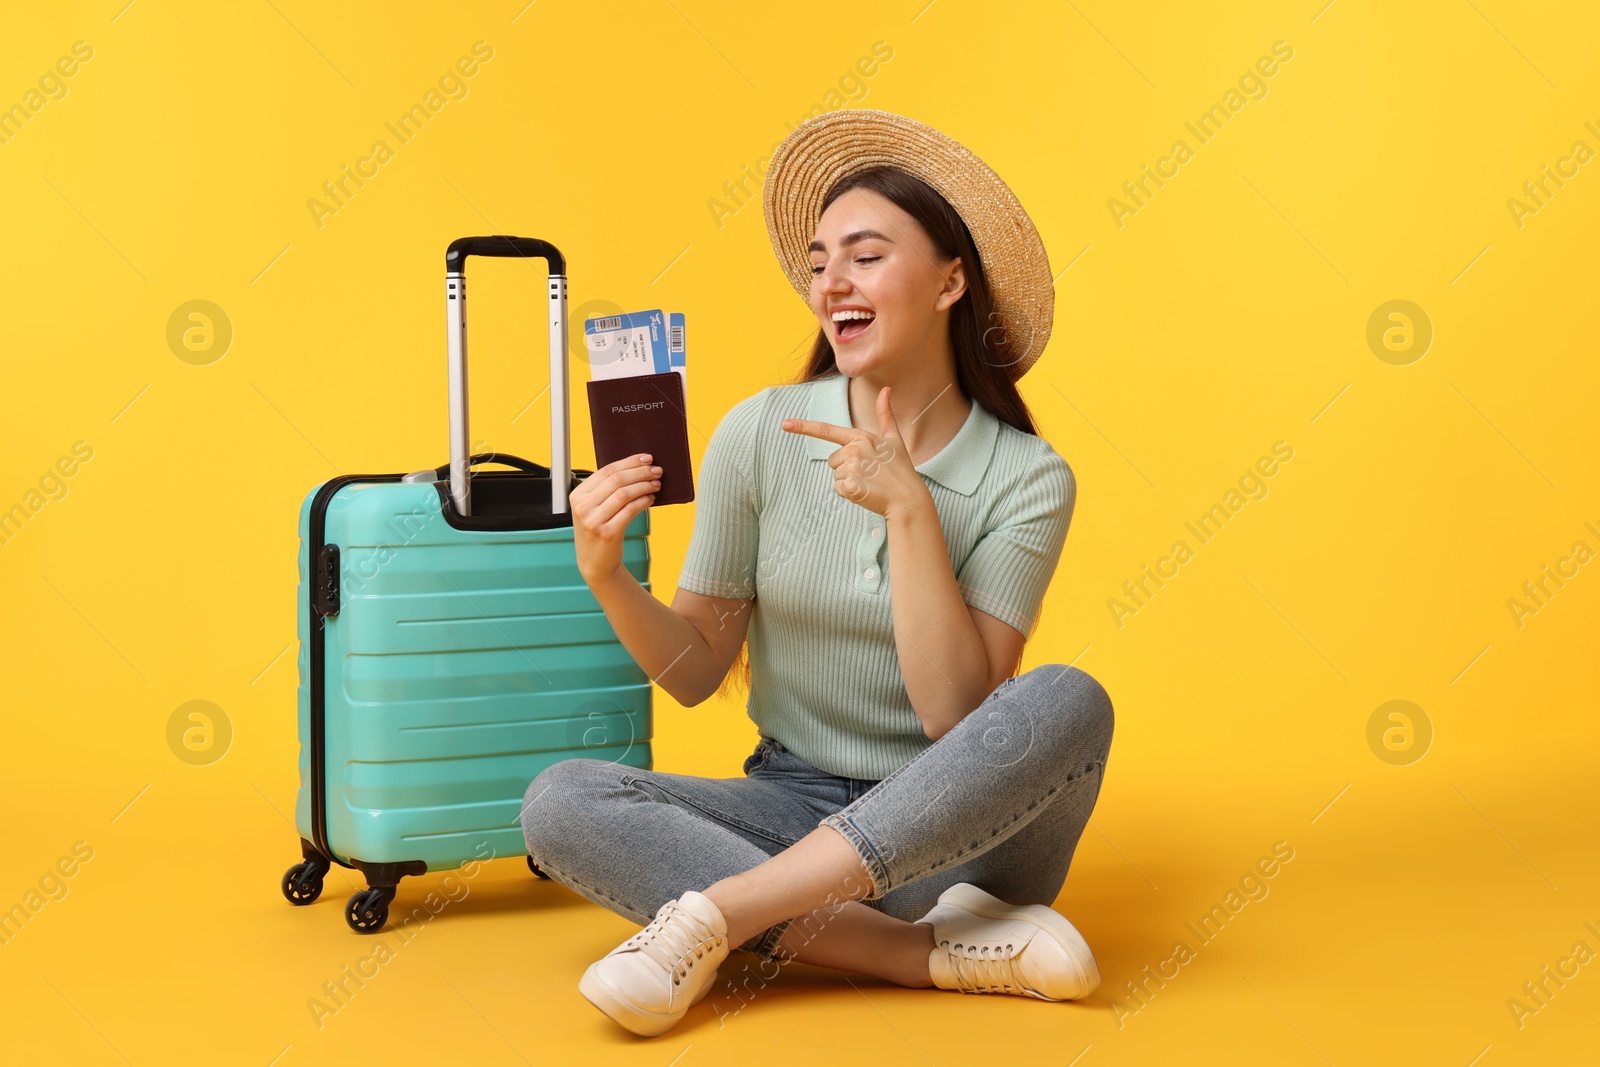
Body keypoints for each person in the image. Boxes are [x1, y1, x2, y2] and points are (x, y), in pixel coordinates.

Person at [521, 108, 1115, 1038]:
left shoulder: (1028, 476)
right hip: (790, 806)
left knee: (1070, 697)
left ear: (952, 279)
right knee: (561, 800)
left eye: (866, 255)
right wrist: (607, 576)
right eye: (818, 260)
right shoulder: (758, 433)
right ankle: (920, 955)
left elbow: (958, 717)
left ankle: (718, 917)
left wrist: (910, 509)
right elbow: (693, 678)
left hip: (963, 843)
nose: (830, 280)